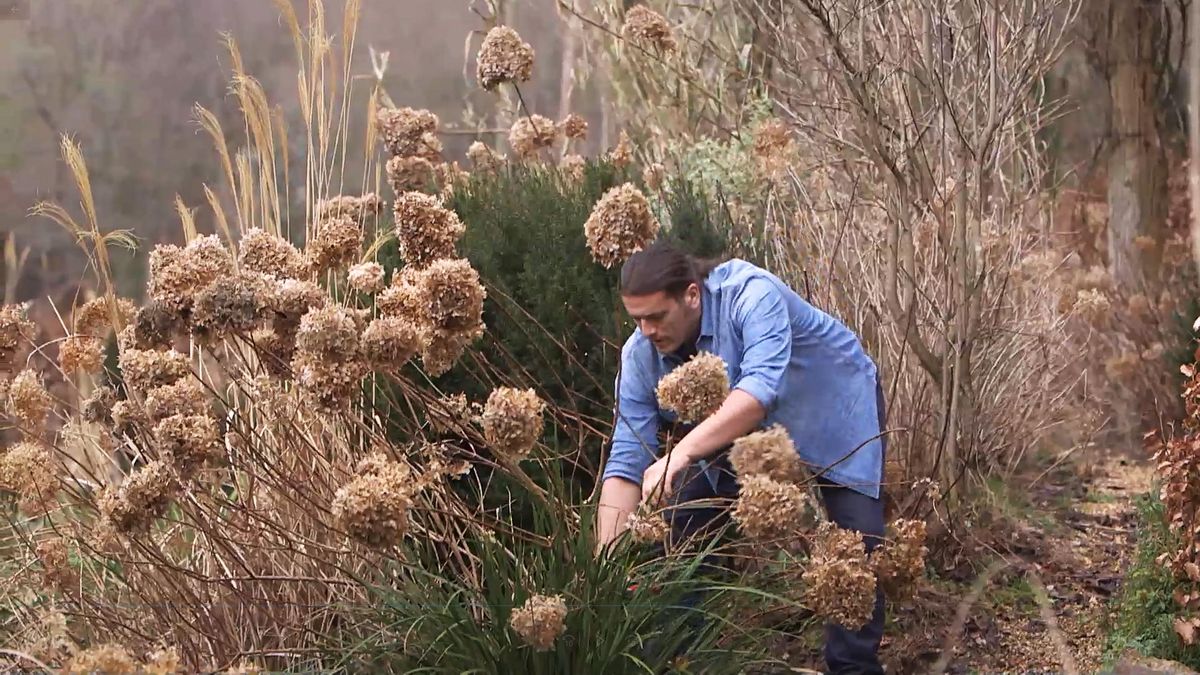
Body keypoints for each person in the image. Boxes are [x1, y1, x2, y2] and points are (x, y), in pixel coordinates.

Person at [596, 240, 888, 674]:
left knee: (858, 543)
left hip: (832, 408)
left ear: (692, 295)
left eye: (656, 317)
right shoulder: (640, 356)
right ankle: (677, 661)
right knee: (684, 531)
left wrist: (680, 454)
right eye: (636, 319)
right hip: (736, 436)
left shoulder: (751, 294)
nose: (647, 331)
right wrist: (607, 564)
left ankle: (852, 667)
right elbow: (625, 460)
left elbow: (757, 393)